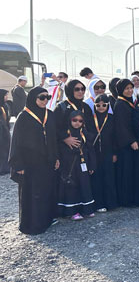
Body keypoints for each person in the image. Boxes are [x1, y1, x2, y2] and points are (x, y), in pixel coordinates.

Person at [9, 87, 60, 234]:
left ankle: (47, 218)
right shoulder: (23, 117)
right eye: (41, 97)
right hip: (30, 162)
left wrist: (56, 157)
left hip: (47, 160)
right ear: (33, 98)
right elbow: (16, 142)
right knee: (32, 192)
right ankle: (33, 223)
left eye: (47, 97)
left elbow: (54, 138)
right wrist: (18, 165)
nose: (45, 101)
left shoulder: (49, 115)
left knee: (47, 189)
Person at [57, 110, 96, 220]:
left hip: (83, 164)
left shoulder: (84, 133)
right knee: (71, 187)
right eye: (74, 120)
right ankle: (72, 211)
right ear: (70, 120)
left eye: (80, 121)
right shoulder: (66, 134)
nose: (77, 123)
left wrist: (92, 165)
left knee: (84, 186)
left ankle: (86, 209)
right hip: (70, 165)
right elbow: (60, 149)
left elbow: (90, 149)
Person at [89, 94, 118, 213]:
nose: (101, 107)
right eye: (98, 105)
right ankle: (99, 204)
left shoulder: (111, 118)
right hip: (95, 153)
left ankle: (111, 203)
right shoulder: (90, 119)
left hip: (108, 152)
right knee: (97, 178)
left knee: (109, 177)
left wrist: (115, 153)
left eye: (104, 105)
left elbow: (115, 137)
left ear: (108, 106)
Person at [113, 79, 138, 207]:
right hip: (125, 145)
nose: (129, 91)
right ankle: (125, 199)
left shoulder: (127, 102)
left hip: (130, 142)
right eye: (126, 88)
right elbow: (121, 126)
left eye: (131, 88)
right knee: (125, 171)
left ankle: (131, 197)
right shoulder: (120, 104)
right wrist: (131, 140)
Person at [54, 80, 96, 147]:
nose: (80, 92)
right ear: (70, 90)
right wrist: (64, 138)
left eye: (82, 89)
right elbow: (54, 127)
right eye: (77, 89)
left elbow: (91, 126)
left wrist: (89, 137)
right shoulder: (62, 107)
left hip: (85, 146)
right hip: (67, 147)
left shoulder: (86, 107)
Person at [0, 89, 11, 174]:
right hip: (1, 130)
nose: (7, 97)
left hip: (5, 130)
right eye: (5, 95)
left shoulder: (5, 105)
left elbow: (7, 118)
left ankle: (5, 167)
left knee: (6, 149)